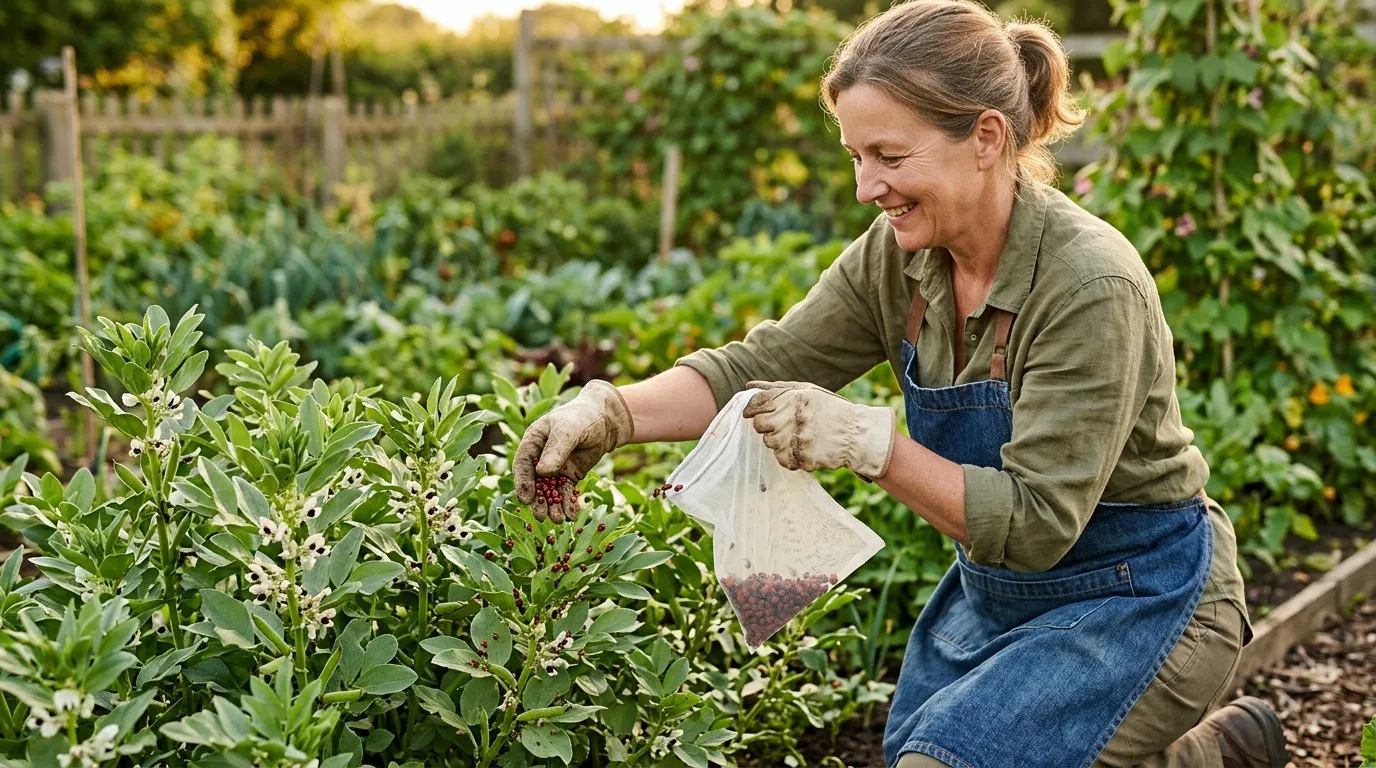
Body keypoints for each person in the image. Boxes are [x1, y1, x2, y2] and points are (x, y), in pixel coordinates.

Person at [513, 1, 1291, 766]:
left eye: (889, 156)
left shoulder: (1088, 286)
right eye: (856, 157)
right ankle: (1210, 756)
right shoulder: (898, 258)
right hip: (1003, 598)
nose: (866, 186)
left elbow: (1036, 525)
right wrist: (611, 413)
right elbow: (762, 364)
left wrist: (867, 444)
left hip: (1138, 600)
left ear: (986, 138)